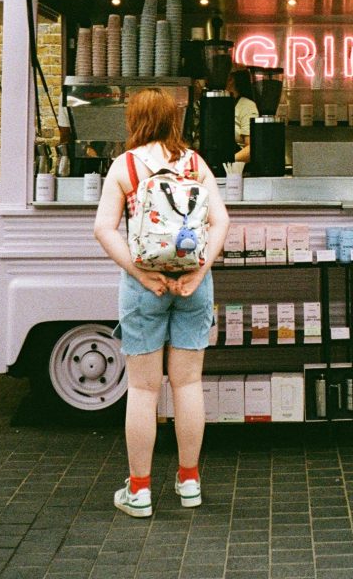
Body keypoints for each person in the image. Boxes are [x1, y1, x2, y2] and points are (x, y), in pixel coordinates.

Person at [94, 87, 229, 518]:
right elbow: (221, 219)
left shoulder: (125, 165)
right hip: (193, 282)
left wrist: (140, 273)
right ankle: (189, 482)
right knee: (188, 385)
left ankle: (140, 491)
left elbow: (104, 229)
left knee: (143, 388)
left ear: (134, 120)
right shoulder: (194, 163)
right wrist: (200, 271)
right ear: (175, 120)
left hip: (143, 286)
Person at [226, 68, 259, 163]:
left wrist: (228, 161)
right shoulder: (223, 105)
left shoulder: (246, 106)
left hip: (238, 169)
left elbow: (252, 148)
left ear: (231, 80)